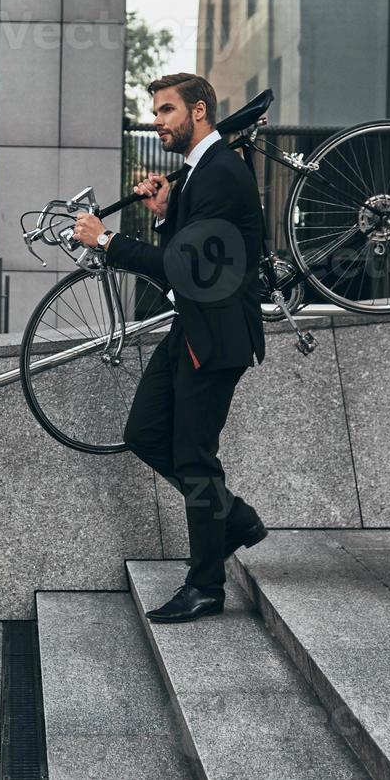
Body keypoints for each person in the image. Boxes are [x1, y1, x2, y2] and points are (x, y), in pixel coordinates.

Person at [72, 72, 268, 625]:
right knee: (143, 434)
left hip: (217, 335)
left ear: (198, 111)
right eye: (155, 112)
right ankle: (237, 519)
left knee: (195, 459)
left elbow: (186, 267)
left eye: (164, 111)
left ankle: (206, 583)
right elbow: (194, 249)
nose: (155, 121)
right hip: (191, 326)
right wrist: (165, 214)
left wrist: (108, 242)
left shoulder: (222, 173)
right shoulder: (200, 172)